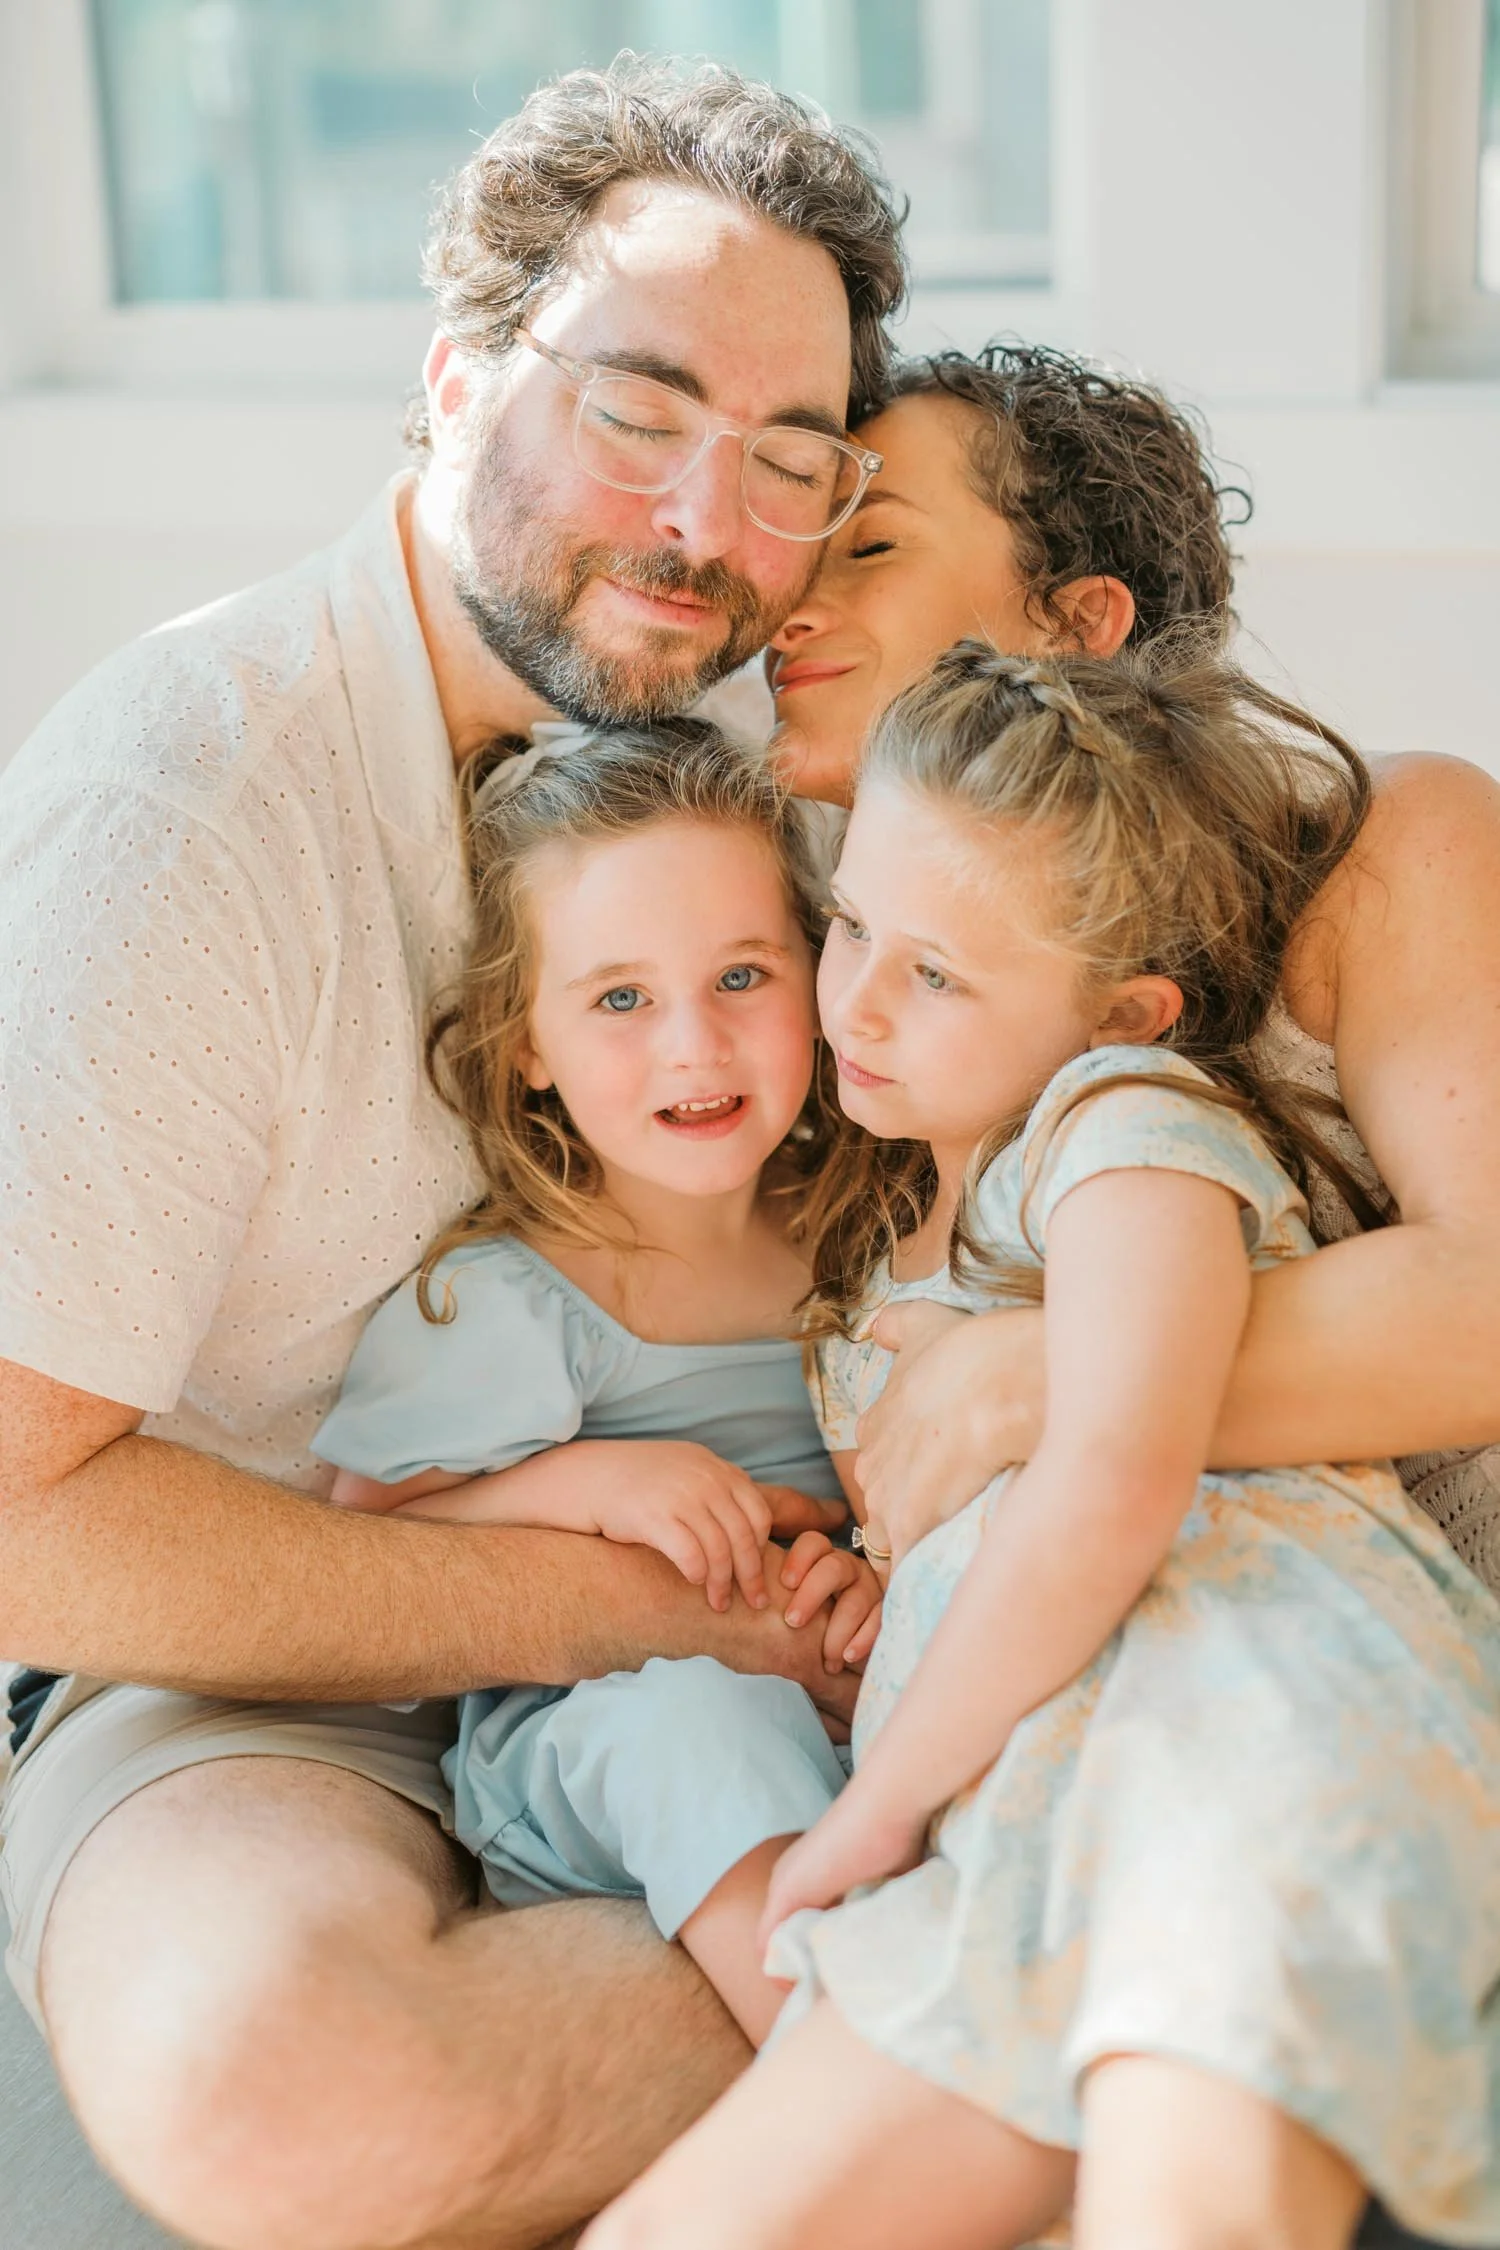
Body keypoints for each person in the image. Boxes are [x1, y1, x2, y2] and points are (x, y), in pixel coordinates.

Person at [0, 57, 905, 2250]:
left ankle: (957, 2017)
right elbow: (19, 1525)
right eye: (636, 413)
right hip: (248, 1641)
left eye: (790, 459)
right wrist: (634, 1611)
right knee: (283, 2094)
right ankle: (978, 2033)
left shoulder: (760, 742)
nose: (706, 523)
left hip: (790, 1602)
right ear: (450, 382)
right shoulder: (191, 803)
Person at [584, 642, 1500, 2250]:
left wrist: (869, 1815)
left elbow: (1112, 1474)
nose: (853, 999)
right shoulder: (873, 1253)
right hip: (1026, 1814)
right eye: (851, 924)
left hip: (1250, 1732)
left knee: (1191, 2206)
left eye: (934, 973)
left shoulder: (1126, 1126)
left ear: (1118, 1011)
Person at [767, 344, 1500, 1596]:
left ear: (1078, 624)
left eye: (871, 547)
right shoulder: (822, 955)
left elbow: (1486, 1307)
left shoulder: (1378, 842)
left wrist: (1030, 1377)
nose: (789, 607)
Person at [316, 722, 882, 2048]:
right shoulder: (516, 1297)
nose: (695, 1045)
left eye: (743, 974)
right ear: (527, 1044)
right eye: (620, 999)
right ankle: (831, 2067)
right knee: (704, 1715)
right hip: (592, 1744)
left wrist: (870, 1576)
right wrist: (586, 1481)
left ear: (820, 978)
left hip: (834, 1708)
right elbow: (359, 1548)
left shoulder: (870, 1236)